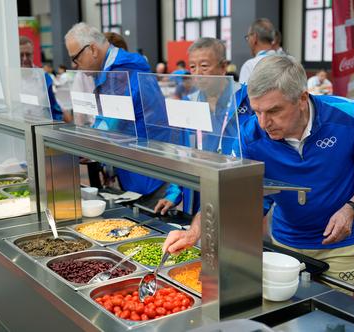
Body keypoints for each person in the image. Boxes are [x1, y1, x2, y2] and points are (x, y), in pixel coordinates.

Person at [163, 55, 354, 285]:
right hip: (286, 241)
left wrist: (351, 208)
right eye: (257, 111)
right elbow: (227, 190)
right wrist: (194, 232)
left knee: (335, 317)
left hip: (341, 244)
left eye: (273, 111)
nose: (263, 123)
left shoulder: (347, 115)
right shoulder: (250, 136)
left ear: (302, 98)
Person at [64, 22, 166, 197]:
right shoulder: (109, 71)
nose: (75, 65)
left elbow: (111, 123)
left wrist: (83, 145)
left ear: (93, 50)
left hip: (148, 168)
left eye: (76, 58)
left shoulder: (122, 71)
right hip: (134, 162)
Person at [154, 37, 254, 216]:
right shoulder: (189, 103)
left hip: (236, 189)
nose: (198, 73)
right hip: (199, 191)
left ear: (223, 67)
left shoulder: (247, 99)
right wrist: (173, 193)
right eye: (192, 67)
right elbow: (182, 153)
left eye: (205, 66)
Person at [19, 36, 65, 121]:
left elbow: (54, 107)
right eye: (21, 55)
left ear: (33, 54)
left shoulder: (44, 77)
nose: (24, 58)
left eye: (28, 54)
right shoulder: (10, 78)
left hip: (40, 128)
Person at [239, 18, 277, 84]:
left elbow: (243, 94)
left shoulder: (250, 66)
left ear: (254, 38)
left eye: (248, 37)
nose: (248, 41)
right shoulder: (288, 62)